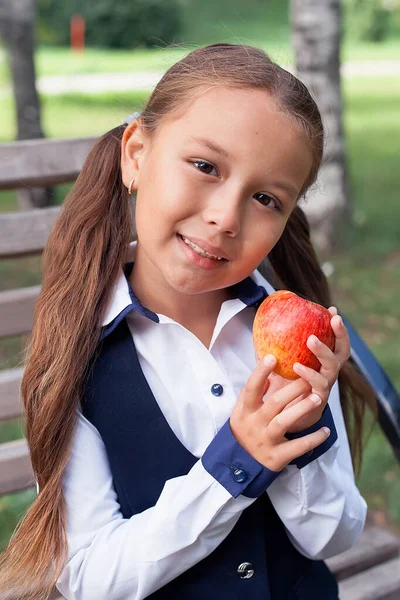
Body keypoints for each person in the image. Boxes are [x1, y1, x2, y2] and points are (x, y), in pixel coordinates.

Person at [0, 43, 377, 600]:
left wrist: (300, 430)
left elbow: (334, 537)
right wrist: (234, 467)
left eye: (266, 198)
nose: (226, 217)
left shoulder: (297, 343)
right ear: (136, 154)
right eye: (205, 167)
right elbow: (85, 578)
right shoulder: (74, 355)